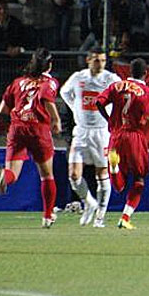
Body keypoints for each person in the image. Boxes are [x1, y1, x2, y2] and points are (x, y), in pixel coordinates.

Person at [0, 48, 62, 228]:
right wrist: (56, 120)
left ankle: (4, 176)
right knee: (47, 176)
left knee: (13, 175)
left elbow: (2, 109)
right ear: (50, 65)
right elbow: (46, 99)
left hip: (17, 128)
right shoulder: (50, 82)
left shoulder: (18, 82)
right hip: (38, 129)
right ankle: (47, 217)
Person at [95, 58, 149, 230]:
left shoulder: (116, 86)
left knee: (119, 185)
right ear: (145, 73)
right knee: (139, 179)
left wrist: (108, 120)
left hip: (116, 135)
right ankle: (125, 217)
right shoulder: (148, 92)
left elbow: (98, 102)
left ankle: (114, 168)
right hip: (135, 136)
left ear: (129, 72)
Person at [60, 48, 121, 227]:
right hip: (81, 132)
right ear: (88, 60)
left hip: (102, 132)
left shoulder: (111, 79)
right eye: (96, 60)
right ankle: (89, 203)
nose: (100, 64)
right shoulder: (79, 77)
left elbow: (121, 98)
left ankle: (100, 216)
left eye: (102, 60)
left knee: (102, 173)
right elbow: (64, 93)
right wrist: (75, 109)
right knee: (73, 174)